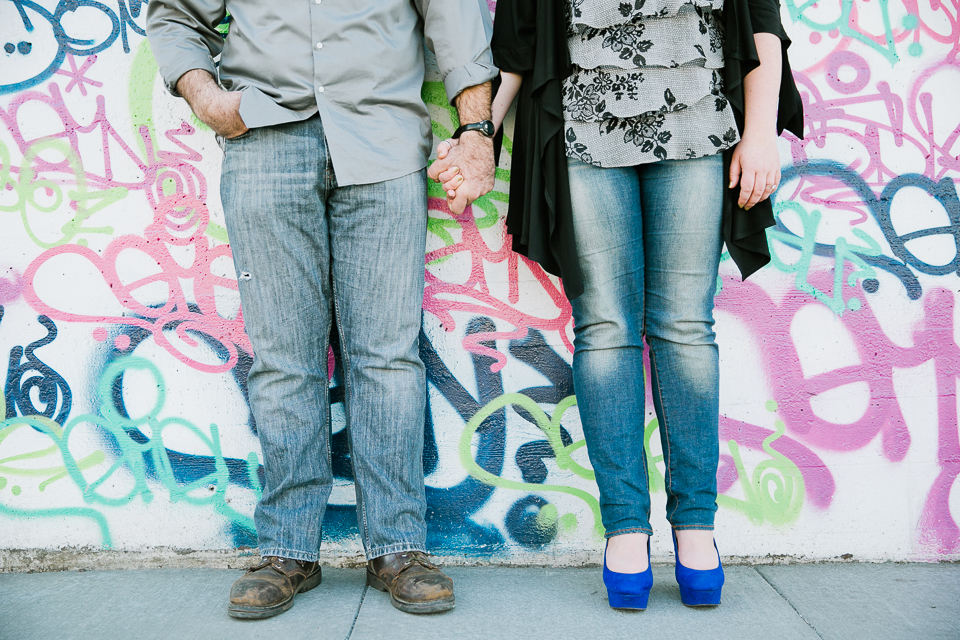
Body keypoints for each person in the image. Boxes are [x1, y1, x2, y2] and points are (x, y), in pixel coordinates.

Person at [431, 0, 803, 610]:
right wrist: (480, 136)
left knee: (684, 327)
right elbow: (521, 38)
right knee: (604, 328)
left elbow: (761, 19)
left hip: (698, 125)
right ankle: (625, 528)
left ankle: (696, 528)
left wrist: (761, 133)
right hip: (585, 129)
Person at [146, 0, 498, 618]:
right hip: (262, 143)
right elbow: (176, 15)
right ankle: (287, 549)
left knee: (387, 356)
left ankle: (399, 548)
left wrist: (475, 130)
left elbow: (455, 16)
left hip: (384, 144)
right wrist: (205, 98)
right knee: (284, 359)